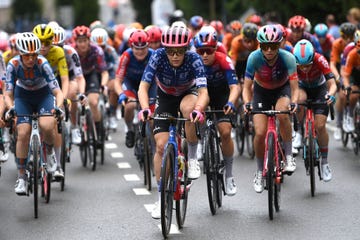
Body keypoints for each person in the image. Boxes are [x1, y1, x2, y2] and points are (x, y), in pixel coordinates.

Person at [137, 25, 209, 219]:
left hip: (188, 94)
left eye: (179, 51)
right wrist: (145, 108)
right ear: (165, 49)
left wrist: (198, 110)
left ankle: (192, 157)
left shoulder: (194, 59)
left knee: (187, 111)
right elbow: (143, 87)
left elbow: (203, 92)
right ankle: (160, 196)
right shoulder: (158, 56)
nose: (175, 55)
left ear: (186, 49)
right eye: (171, 51)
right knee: (161, 146)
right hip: (166, 96)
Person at [4, 32, 64, 195]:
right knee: (23, 132)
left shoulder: (42, 63)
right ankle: (22, 177)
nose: (30, 59)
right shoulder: (13, 65)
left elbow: (58, 92)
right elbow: (8, 93)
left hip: (43, 94)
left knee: (47, 124)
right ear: (20, 54)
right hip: (23, 96)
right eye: (26, 56)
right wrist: (10, 108)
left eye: (33, 55)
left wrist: (58, 107)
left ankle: (50, 152)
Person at [242, 24, 299, 193]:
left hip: (282, 90)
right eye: (264, 46)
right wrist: (247, 102)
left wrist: (294, 102)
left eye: (273, 46)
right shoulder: (253, 58)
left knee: (283, 114)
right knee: (260, 133)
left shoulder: (288, 58)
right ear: (259, 45)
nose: (268, 50)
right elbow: (246, 87)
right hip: (261, 92)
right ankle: (260, 171)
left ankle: (288, 156)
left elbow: (295, 88)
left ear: (279, 44)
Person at [194, 27, 241, 196]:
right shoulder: (193, 61)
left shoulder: (223, 60)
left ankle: (229, 175)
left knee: (225, 132)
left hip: (222, 95)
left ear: (215, 49)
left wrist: (231, 102)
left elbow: (235, 87)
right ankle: (200, 143)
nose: (204, 55)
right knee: (194, 113)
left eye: (208, 51)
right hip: (202, 94)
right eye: (201, 51)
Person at [292, 39, 337, 181]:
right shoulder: (291, 61)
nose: (304, 69)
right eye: (301, 66)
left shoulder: (320, 59)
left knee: (320, 126)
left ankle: (324, 162)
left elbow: (332, 84)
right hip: (302, 87)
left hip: (319, 89)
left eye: (308, 65)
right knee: (299, 100)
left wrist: (331, 94)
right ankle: (299, 131)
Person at [33, 23, 69, 179]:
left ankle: (58, 166)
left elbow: (65, 79)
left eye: (47, 42)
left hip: (53, 87)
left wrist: (64, 99)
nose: (43, 46)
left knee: (54, 124)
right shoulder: (29, 55)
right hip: (33, 89)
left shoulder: (58, 51)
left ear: (52, 41)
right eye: (39, 42)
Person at [114, 29, 155, 148]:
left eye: (143, 48)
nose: (140, 51)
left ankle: (153, 144)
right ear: (131, 47)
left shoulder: (153, 55)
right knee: (130, 105)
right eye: (137, 48)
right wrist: (121, 94)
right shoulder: (126, 55)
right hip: (130, 83)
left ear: (148, 46)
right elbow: (118, 80)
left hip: (149, 84)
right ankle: (130, 129)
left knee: (152, 116)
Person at [72, 25, 109, 141]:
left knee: (93, 102)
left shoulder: (97, 50)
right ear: (75, 42)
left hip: (91, 75)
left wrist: (103, 85)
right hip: (76, 77)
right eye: (79, 41)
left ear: (89, 41)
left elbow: (104, 72)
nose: (82, 44)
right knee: (73, 99)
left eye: (84, 41)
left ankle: (98, 130)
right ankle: (75, 127)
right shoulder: (71, 51)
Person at [52, 25, 88, 145]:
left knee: (72, 92)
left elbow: (79, 77)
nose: (57, 49)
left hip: (70, 76)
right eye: (53, 47)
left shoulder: (70, 52)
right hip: (52, 78)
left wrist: (82, 94)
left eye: (60, 46)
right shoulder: (44, 53)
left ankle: (74, 127)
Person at [329, 22, 357, 140]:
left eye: (351, 37)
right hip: (341, 68)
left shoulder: (355, 45)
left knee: (354, 93)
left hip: (353, 67)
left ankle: (352, 113)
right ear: (342, 36)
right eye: (345, 37)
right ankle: (339, 125)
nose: (348, 40)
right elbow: (333, 63)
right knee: (342, 94)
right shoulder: (337, 44)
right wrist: (337, 77)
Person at [90, 27, 119, 130]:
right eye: (97, 46)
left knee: (114, 87)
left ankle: (112, 113)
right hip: (94, 73)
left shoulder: (110, 50)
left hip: (108, 72)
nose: (100, 49)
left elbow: (117, 64)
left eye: (102, 46)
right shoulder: (89, 51)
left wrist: (114, 79)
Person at [341, 30, 360, 133]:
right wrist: (347, 85)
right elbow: (346, 74)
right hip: (353, 75)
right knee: (354, 94)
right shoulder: (352, 54)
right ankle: (349, 115)